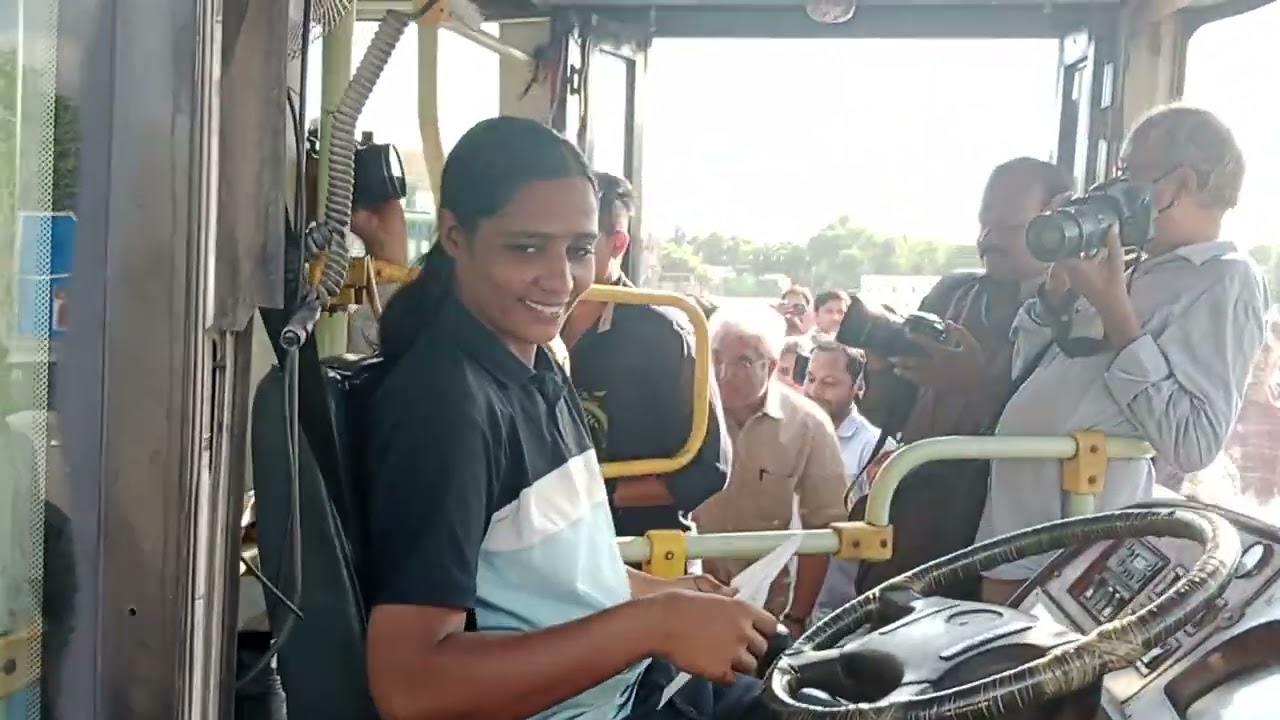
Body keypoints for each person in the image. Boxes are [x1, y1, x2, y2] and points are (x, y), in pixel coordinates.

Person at [364, 117, 776, 720]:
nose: (561, 281)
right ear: (454, 236)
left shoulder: (541, 365)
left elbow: (544, 579)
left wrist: (665, 595)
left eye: (580, 250)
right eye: (526, 247)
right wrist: (654, 623)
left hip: (641, 690)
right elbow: (411, 687)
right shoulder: (447, 407)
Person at [978, 105, 1269, 603]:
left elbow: (1193, 441)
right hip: (1018, 519)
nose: (1115, 190)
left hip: (1078, 537)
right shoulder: (1132, 262)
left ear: (1178, 184)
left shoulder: (1224, 279)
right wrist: (1059, 290)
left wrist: (1114, 308)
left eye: (1129, 174)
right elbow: (1025, 368)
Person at [847, 157, 1073, 599]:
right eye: (984, 224)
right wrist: (879, 364)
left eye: (1008, 227)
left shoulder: (1079, 319)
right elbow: (893, 413)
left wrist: (977, 385)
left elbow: (1061, 431)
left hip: (999, 543)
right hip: (912, 524)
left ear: (1059, 223)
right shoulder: (952, 295)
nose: (988, 240)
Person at [560, 171, 731, 543]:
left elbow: (708, 469)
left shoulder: (665, 334)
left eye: (577, 248)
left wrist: (593, 496)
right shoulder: (523, 325)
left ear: (617, 243)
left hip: (639, 551)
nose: (555, 263)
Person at [691, 306, 847, 637]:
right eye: (715, 357)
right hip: (686, 598)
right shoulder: (684, 412)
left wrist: (796, 618)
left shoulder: (807, 425)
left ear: (772, 366)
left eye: (742, 362)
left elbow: (822, 528)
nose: (722, 373)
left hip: (764, 608)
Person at [802, 338, 896, 624]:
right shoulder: (788, 435)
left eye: (829, 382)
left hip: (839, 614)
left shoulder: (876, 448)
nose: (815, 391)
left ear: (859, 386)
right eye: (810, 378)